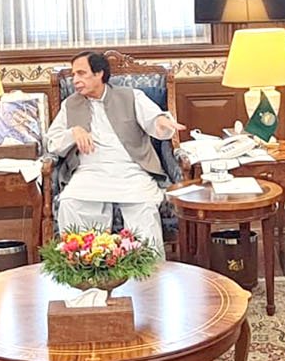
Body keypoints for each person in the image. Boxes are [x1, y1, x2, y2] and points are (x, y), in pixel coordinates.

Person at [45, 51, 186, 253]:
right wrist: (73, 133)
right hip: (88, 172)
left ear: (99, 74)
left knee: (144, 208)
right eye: (74, 74)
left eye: (81, 73)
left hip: (130, 171)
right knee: (69, 203)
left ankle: (146, 270)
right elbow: (52, 142)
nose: (75, 80)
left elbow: (154, 120)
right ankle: (86, 267)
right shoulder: (70, 104)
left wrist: (161, 122)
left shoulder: (131, 96)